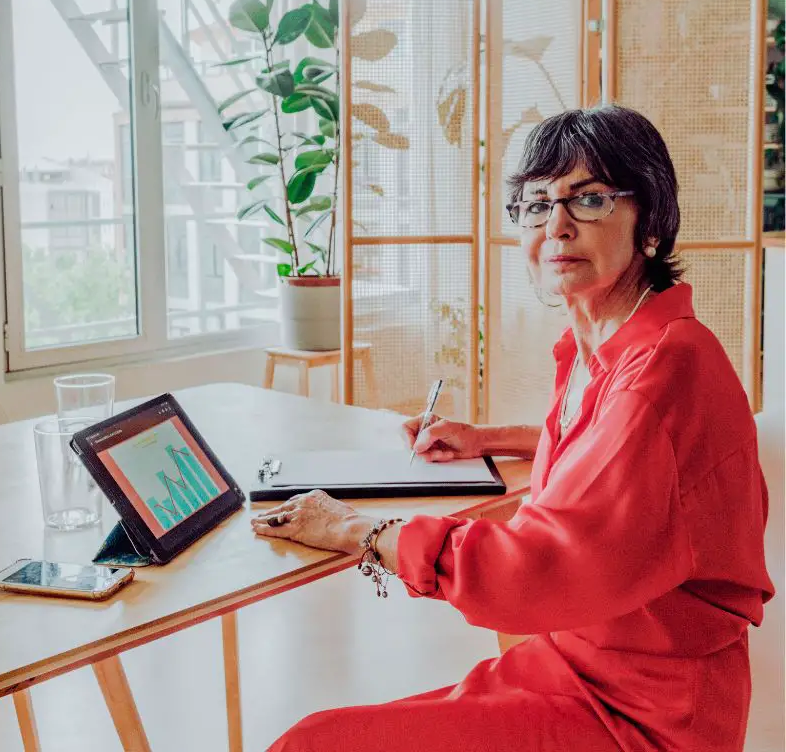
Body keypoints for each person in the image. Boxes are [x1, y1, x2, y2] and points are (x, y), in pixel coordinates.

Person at [252, 105, 774, 752]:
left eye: (588, 200)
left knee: (312, 744)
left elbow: (533, 572)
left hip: (641, 715)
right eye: (535, 203)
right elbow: (617, 451)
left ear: (650, 221)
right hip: (571, 663)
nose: (555, 225)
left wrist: (355, 530)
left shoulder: (662, 373)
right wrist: (488, 439)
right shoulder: (615, 345)